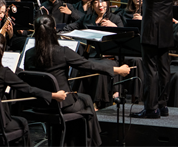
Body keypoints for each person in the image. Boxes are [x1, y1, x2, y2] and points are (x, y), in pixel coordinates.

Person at [84, 0, 178, 118]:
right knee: (164, 67)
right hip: (166, 27)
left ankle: (151, 109)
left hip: (151, 27)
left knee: (150, 69)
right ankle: (163, 105)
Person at [24, 15, 129, 147]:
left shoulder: (28, 54)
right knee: (87, 102)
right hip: (61, 104)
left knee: (83, 99)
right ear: (54, 30)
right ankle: (93, 144)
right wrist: (117, 70)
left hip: (38, 104)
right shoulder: (62, 52)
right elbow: (90, 65)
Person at [0, 32, 67, 142]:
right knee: (23, 123)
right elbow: (28, 89)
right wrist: (53, 95)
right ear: (2, 50)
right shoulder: (3, 72)